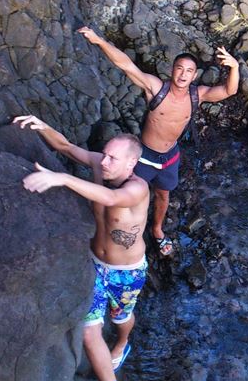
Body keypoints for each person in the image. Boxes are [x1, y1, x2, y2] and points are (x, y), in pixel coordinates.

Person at [79, 27, 239, 256]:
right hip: (144, 155)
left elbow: (229, 90)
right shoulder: (156, 89)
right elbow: (126, 65)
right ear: (172, 70)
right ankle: (122, 232)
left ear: (194, 76)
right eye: (179, 68)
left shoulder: (198, 95)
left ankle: (156, 229)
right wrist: (99, 41)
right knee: (130, 197)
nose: (183, 74)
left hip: (170, 157)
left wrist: (235, 67)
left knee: (163, 194)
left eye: (189, 71)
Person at [15, 115, 148, 379]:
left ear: (131, 163)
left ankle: (122, 342)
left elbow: (111, 197)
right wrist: (43, 126)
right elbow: (65, 147)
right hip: (94, 263)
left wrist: (63, 178)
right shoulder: (100, 163)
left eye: (113, 158)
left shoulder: (138, 189)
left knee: (121, 317)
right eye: (104, 154)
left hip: (127, 272)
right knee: (89, 331)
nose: (104, 161)